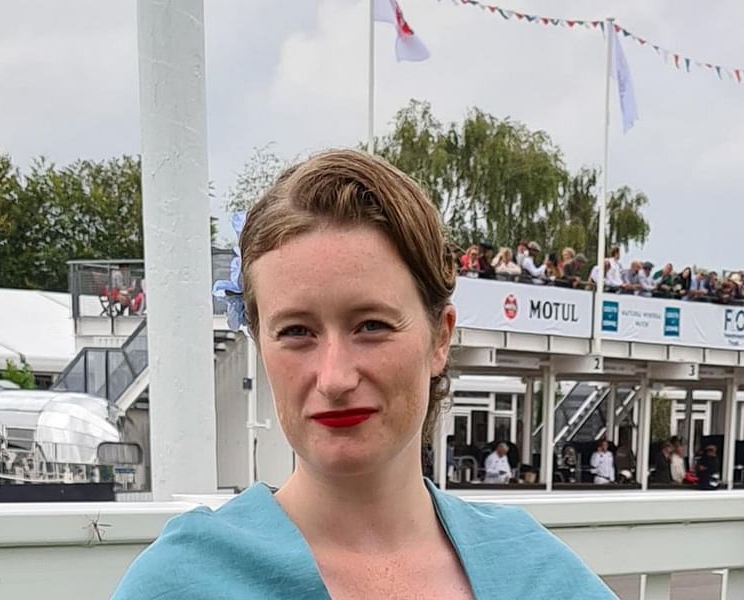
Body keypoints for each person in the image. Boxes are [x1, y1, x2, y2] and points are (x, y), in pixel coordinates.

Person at [111, 150, 614, 599]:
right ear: (259, 342)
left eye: (372, 326)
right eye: (296, 332)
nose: (334, 378)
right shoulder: (184, 582)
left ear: (440, 337)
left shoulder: (536, 571)